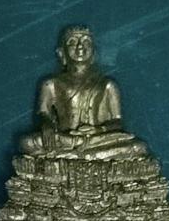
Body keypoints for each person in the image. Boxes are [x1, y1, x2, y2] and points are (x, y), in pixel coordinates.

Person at [20, 26, 147, 160]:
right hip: (66, 138)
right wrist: (47, 125)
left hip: (97, 138)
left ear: (94, 53)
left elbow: (117, 121)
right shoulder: (51, 83)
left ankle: (76, 155)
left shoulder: (107, 84)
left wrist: (98, 130)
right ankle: (88, 155)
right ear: (62, 53)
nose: (80, 47)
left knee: (138, 147)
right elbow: (43, 113)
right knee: (26, 143)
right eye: (73, 42)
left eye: (86, 42)